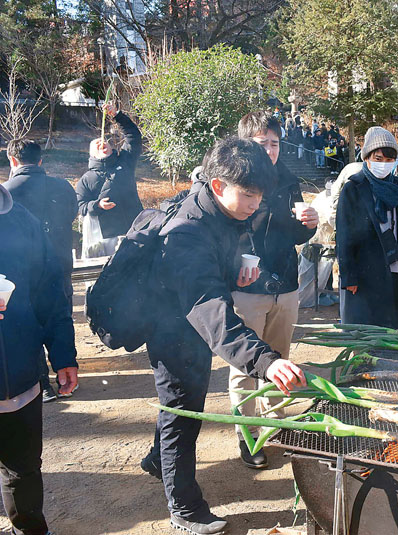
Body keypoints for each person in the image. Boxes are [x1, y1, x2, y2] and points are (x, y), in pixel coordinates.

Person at [142, 137, 306, 534]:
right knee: (182, 411)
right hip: (172, 329)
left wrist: (236, 274)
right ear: (218, 185)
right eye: (248, 195)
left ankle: (156, 459)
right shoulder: (186, 232)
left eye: (260, 195)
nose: (255, 204)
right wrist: (266, 361)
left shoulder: (220, 213)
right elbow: (209, 309)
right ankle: (185, 509)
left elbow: (213, 280)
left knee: (182, 404)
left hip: (193, 325)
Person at [227, 112, 318, 469]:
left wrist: (308, 225)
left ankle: (274, 424)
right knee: (245, 363)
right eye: (262, 142)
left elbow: (295, 236)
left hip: (286, 285)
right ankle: (247, 434)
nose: (270, 149)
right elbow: (225, 233)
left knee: (280, 358)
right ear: (246, 144)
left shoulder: (288, 181)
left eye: (275, 143)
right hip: (248, 288)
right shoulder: (234, 181)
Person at [0, 182, 78, 535]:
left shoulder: (21, 220)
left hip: (20, 377)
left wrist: (63, 355)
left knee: (24, 469)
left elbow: (51, 294)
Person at [5, 139, 78, 403]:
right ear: (40, 160)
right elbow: (73, 214)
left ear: (12, 161)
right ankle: (66, 369)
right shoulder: (63, 186)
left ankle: (41, 383)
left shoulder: (8, 193)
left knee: (30, 317)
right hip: (60, 262)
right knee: (60, 313)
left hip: (24, 270)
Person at [336, 126, 398, 328]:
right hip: (365, 274)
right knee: (369, 334)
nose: (383, 164)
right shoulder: (353, 188)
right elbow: (344, 235)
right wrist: (349, 276)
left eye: (388, 160)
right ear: (366, 157)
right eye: (378, 159)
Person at [75, 102, 143, 255]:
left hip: (135, 230)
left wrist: (117, 116)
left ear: (112, 148)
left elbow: (133, 136)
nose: (102, 143)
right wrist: (97, 205)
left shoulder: (125, 162)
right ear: (92, 155)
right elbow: (81, 206)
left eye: (104, 142)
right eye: (96, 145)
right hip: (105, 240)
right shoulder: (86, 179)